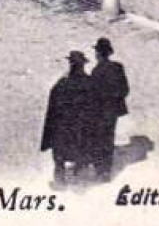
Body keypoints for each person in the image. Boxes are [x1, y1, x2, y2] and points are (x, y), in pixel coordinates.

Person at [41, 51, 96, 187]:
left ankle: (60, 180)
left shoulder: (61, 84)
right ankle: (79, 180)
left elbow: (52, 109)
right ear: (82, 65)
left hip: (63, 129)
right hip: (80, 128)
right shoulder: (89, 84)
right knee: (81, 152)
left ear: (71, 64)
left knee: (60, 156)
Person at [88, 37, 130, 182]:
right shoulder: (118, 67)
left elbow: (93, 94)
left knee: (99, 139)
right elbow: (125, 89)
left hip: (100, 111)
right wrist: (115, 100)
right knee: (109, 138)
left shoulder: (96, 71)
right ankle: (106, 170)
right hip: (114, 111)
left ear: (98, 54)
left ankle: (101, 170)